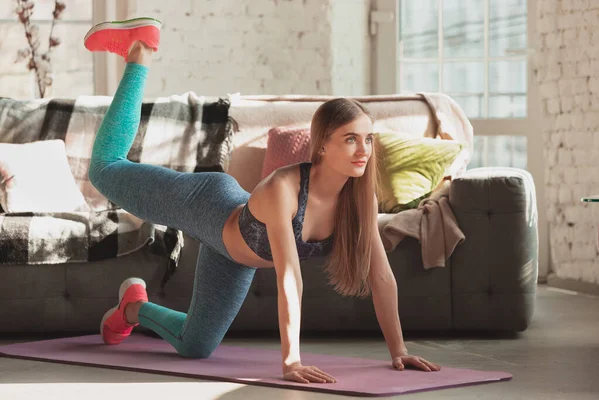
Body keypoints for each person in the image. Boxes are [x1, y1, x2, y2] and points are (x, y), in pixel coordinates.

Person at [84, 17, 441, 384]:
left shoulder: (358, 200)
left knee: (196, 345)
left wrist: (399, 351)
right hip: (207, 206)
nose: (362, 150)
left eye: (368, 139)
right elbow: (290, 278)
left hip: (233, 257)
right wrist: (292, 362)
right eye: (350, 139)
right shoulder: (283, 189)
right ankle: (139, 52)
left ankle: (133, 307)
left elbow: (380, 275)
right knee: (105, 170)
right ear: (322, 144)